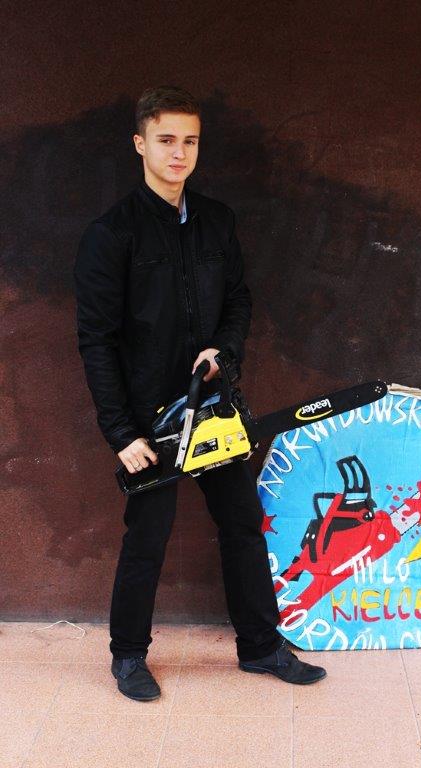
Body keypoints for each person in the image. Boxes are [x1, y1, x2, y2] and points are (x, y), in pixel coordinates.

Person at [73, 85, 326, 701]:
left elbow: (237, 299)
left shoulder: (216, 220)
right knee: (147, 538)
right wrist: (121, 433)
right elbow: (96, 340)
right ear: (140, 145)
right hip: (148, 420)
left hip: (212, 406)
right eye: (166, 140)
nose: (179, 153)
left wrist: (224, 352)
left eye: (189, 141)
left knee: (242, 524)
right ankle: (128, 656)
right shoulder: (112, 234)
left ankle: (260, 647)